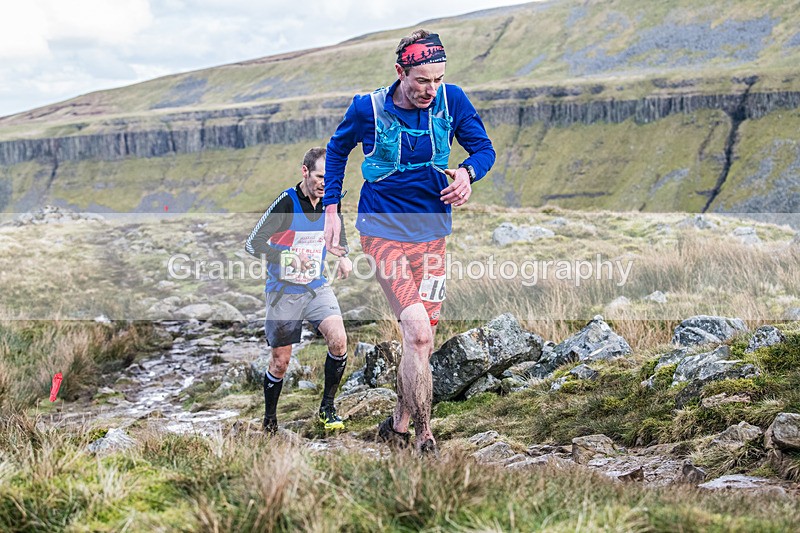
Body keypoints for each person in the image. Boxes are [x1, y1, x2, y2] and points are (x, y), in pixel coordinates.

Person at [322, 30, 495, 454]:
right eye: (421, 80)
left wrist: (468, 174)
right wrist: (331, 209)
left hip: (433, 235)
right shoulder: (368, 108)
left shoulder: (452, 100)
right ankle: (424, 437)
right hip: (382, 231)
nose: (430, 89)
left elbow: (484, 150)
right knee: (417, 331)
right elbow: (336, 150)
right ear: (401, 72)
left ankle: (397, 425)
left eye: (437, 79)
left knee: (421, 339)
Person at [245, 146, 353, 433]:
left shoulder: (331, 201)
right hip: (284, 291)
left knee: (339, 342)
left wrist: (343, 256)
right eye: (319, 176)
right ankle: (270, 420)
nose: (325, 183)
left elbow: (337, 232)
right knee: (281, 362)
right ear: (305, 172)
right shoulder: (287, 203)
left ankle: (327, 408)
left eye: (330, 178)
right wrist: (288, 257)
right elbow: (252, 243)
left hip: (316, 287)